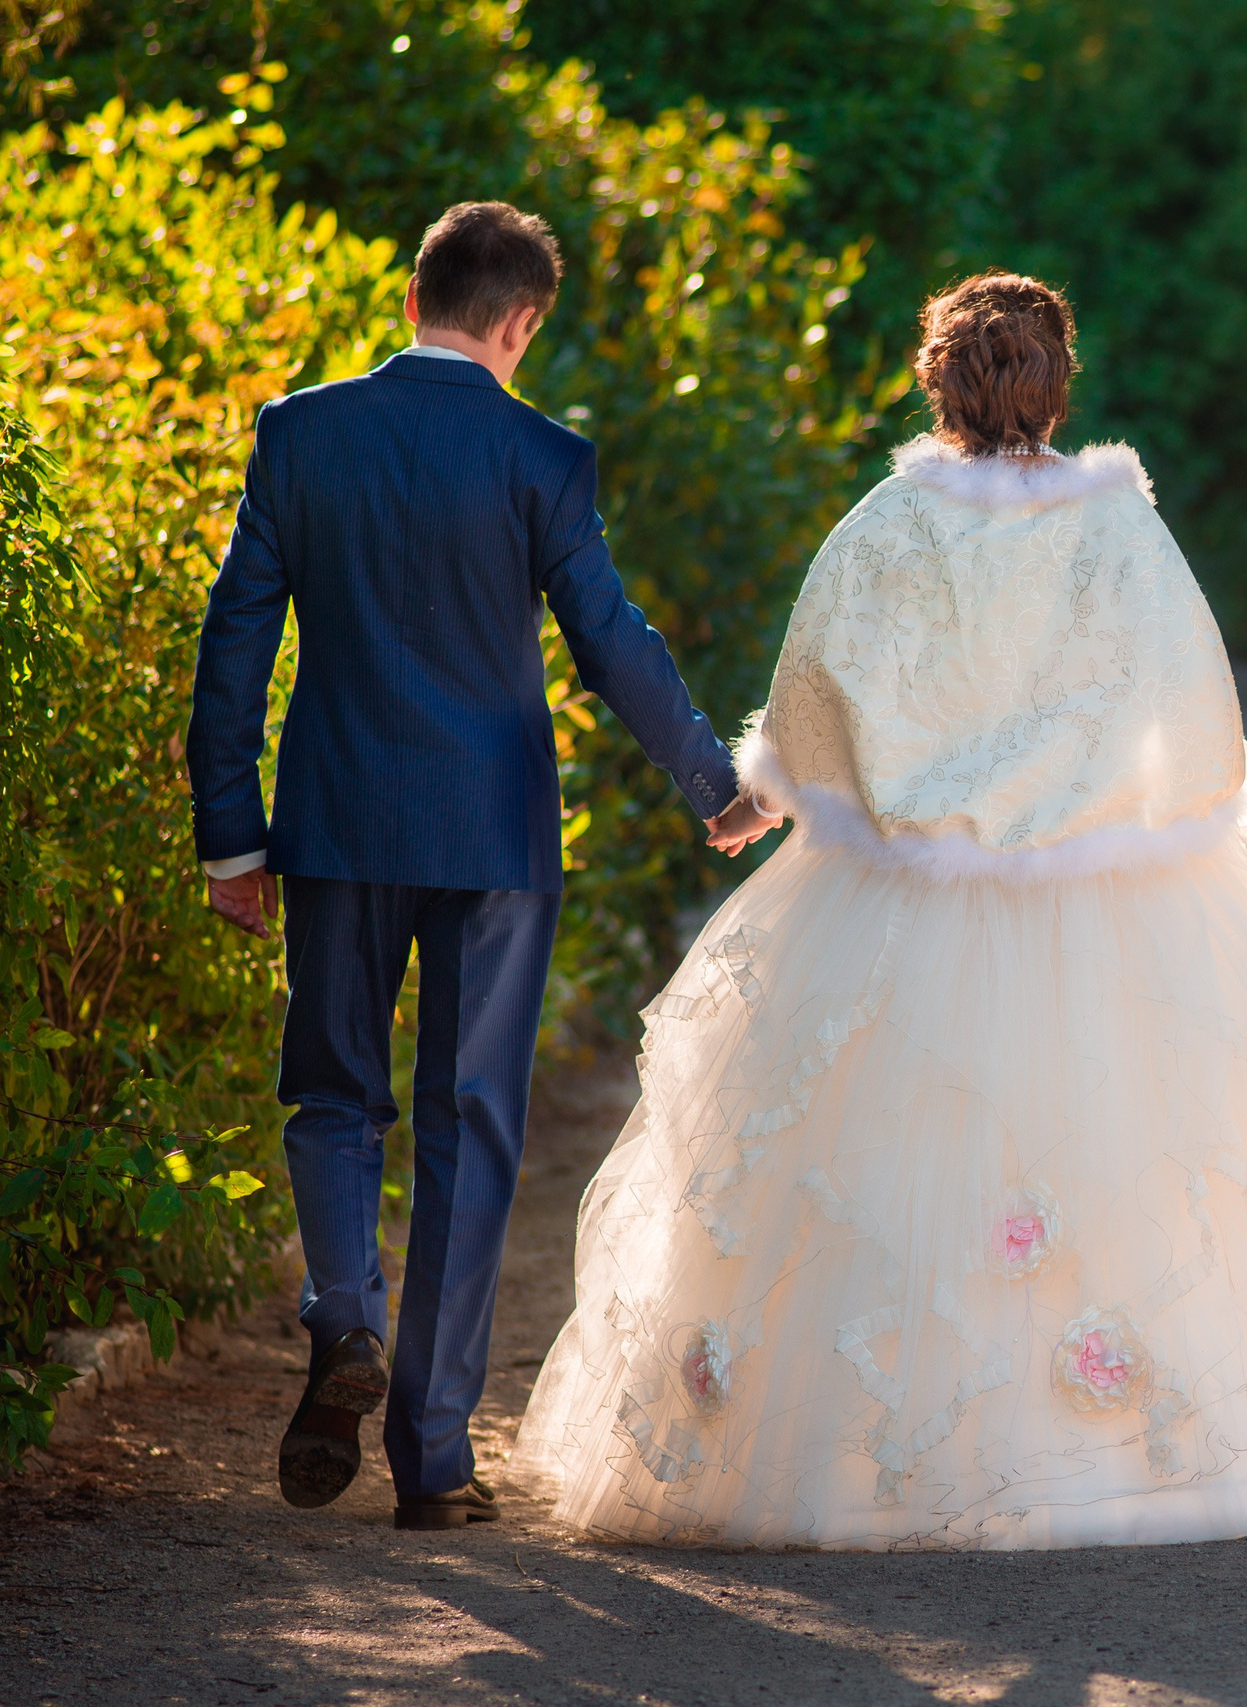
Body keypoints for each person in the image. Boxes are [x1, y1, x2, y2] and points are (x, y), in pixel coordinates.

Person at [510, 273, 1247, 1548]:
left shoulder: (890, 522)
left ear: (939, 383)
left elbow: (820, 684)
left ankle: (865, 1468)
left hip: (911, 895)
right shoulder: (1115, 522)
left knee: (868, 1160)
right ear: (1056, 384)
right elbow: (1183, 697)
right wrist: (1125, 800)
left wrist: (761, 798)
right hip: (1104, 889)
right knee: (1138, 1147)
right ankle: (1150, 1448)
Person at [185, 202, 779, 1531]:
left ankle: (345, 1316)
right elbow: (611, 641)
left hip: (336, 823)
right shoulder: (541, 456)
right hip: (495, 838)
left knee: (332, 1093)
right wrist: (715, 788)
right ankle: (436, 1457)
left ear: (413, 300)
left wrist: (233, 835)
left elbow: (236, 644)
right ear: (519, 324)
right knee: (468, 1120)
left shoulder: (300, 434)